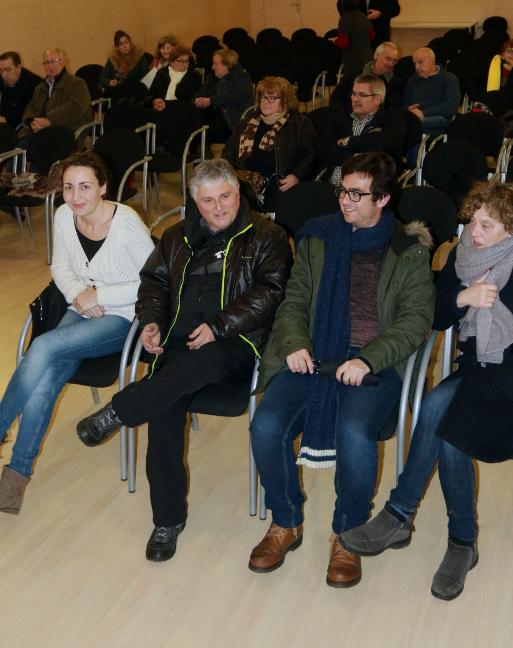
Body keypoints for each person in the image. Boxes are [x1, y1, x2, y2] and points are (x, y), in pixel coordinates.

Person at [340, 180, 513, 601]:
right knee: (443, 413)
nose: (474, 233)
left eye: (486, 226)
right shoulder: (464, 256)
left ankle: (413, 519)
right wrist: (463, 297)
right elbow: (435, 316)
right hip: (477, 371)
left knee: (447, 423)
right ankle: (458, 540)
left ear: (512, 227)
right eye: (473, 221)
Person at [76, 159, 293, 563]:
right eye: (208, 200)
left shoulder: (266, 235)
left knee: (193, 366)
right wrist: (152, 323)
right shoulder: (175, 236)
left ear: (238, 193)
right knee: (163, 411)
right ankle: (168, 519)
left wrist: (219, 325)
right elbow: (153, 283)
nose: (219, 207)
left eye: (225, 196)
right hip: (177, 344)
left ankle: (120, 410)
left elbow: (270, 292)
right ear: (195, 200)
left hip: (237, 344)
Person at [248, 151, 434, 587]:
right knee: (267, 425)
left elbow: (415, 321)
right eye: (342, 191)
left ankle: (349, 533)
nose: (345, 201)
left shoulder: (407, 252)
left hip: (376, 363)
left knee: (353, 431)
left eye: (357, 194)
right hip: (314, 354)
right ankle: (286, 520)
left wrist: (368, 357)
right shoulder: (318, 238)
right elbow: (293, 299)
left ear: (383, 199)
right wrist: (294, 342)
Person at [0, 152, 153, 514]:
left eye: (85, 186)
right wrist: (79, 296)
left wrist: (101, 295)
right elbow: (60, 268)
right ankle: (14, 480)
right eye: (68, 187)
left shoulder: (126, 222)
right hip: (80, 308)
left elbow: (154, 280)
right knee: (48, 376)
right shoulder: (64, 215)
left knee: (43, 345)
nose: (75, 196)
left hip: (122, 318)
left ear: (103, 187)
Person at [222, 77, 317, 210]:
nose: (266, 102)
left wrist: (296, 175)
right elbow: (229, 149)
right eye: (263, 97)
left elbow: (312, 154)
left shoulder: (299, 123)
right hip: (244, 179)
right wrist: (227, 172)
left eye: (272, 98)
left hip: (278, 181)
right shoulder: (250, 121)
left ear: (285, 102)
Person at [318, 74, 407, 181]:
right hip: (331, 184)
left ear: (377, 99)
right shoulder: (341, 119)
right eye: (353, 94)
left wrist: (349, 141)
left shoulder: (393, 119)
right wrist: (356, 157)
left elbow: (384, 143)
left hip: (372, 186)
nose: (355, 99)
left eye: (362, 95)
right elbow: (324, 149)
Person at [20, 49, 92, 139]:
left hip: (66, 130)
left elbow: (74, 108)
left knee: (27, 148)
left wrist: (49, 120)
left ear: (64, 62)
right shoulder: (40, 87)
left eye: (54, 61)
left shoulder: (77, 83)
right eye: (46, 63)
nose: (50, 66)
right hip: (39, 131)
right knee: (16, 146)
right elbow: (31, 108)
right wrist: (30, 121)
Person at [194, 48, 254, 143]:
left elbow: (234, 96)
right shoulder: (212, 77)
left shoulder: (242, 78)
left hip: (235, 121)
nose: (212, 67)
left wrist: (210, 100)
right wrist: (197, 101)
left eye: (216, 64)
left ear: (227, 65)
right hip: (216, 119)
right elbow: (200, 94)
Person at [330, 42, 403, 116]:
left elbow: (393, 108)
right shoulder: (355, 75)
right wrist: (343, 115)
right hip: (349, 116)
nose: (391, 64)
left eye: (394, 61)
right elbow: (336, 98)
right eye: (388, 59)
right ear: (377, 56)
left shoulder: (396, 82)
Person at [403, 47, 461, 137]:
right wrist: (409, 110)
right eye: (415, 63)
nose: (417, 67)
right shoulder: (413, 79)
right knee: (398, 123)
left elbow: (450, 107)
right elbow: (405, 103)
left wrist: (423, 113)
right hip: (416, 117)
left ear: (432, 61)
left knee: (411, 126)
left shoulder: (449, 79)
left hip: (440, 117)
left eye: (420, 62)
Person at [476, 38, 513, 119]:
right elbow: (473, 83)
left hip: (512, 107)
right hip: (490, 102)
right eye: (510, 51)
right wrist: (477, 97)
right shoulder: (490, 65)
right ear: (502, 54)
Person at [145, 44, 201, 112]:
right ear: (171, 62)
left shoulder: (194, 76)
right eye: (180, 61)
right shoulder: (162, 73)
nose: (184, 64)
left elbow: (191, 101)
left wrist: (167, 104)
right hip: (159, 110)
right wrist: (154, 101)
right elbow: (149, 95)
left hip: (181, 112)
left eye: (186, 61)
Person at [333, 0, 373, 80]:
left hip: (353, 62)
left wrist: (335, 40)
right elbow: (372, 36)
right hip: (368, 58)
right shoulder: (364, 17)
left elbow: (344, 43)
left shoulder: (344, 19)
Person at [0, 52, 40, 128]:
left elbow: (28, 116)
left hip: (23, 129)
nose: (4, 75)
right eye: (1, 71)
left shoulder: (34, 84)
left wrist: (5, 120)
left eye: (8, 70)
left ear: (18, 67)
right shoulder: (2, 78)